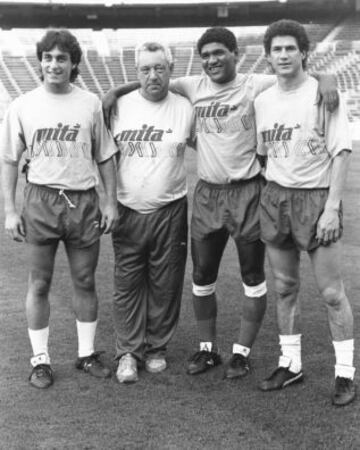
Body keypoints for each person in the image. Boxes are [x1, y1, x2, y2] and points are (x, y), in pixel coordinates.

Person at [103, 27, 338, 381]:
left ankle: (241, 353)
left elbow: (294, 70)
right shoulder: (191, 87)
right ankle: (207, 349)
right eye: (206, 55)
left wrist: (328, 76)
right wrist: (113, 91)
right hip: (208, 194)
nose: (212, 60)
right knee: (200, 276)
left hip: (248, 192)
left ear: (235, 55)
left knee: (253, 277)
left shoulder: (255, 83)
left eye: (219, 53)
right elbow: (152, 80)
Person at [0, 29, 118, 389]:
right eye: (48, 58)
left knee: (85, 280)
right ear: (40, 62)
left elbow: (105, 156)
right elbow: (9, 159)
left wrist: (110, 201)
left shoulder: (90, 103)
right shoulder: (22, 105)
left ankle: (86, 354)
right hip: (40, 200)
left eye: (61, 58)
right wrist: (11, 209)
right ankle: (40, 360)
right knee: (40, 283)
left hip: (83, 202)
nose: (54, 64)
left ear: (73, 64)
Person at [254, 19, 355, 406]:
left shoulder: (322, 93)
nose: (283, 55)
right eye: (276, 49)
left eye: (290, 48)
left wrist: (331, 209)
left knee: (331, 293)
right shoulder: (262, 101)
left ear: (303, 53)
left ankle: (345, 373)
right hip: (277, 198)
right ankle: (290, 363)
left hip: (316, 200)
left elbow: (341, 152)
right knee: (284, 287)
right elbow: (264, 155)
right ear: (268, 56)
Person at [110, 42, 193, 383]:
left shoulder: (187, 107)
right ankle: (128, 352)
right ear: (136, 72)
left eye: (159, 68)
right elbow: (103, 158)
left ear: (170, 70)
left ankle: (156, 347)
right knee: (127, 283)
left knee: (166, 282)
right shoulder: (117, 106)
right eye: (145, 69)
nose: (153, 75)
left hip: (170, 207)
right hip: (127, 208)